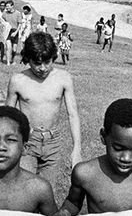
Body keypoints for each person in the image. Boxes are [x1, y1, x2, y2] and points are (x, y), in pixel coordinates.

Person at [7, 31, 82, 203]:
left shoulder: (63, 78)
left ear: (53, 58)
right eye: (37, 63)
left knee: (48, 193)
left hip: (52, 142)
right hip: (27, 142)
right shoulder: (18, 80)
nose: (42, 68)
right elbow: (7, 116)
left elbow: (73, 114)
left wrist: (76, 148)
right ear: (28, 59)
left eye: (47, 62)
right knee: (24, 191)